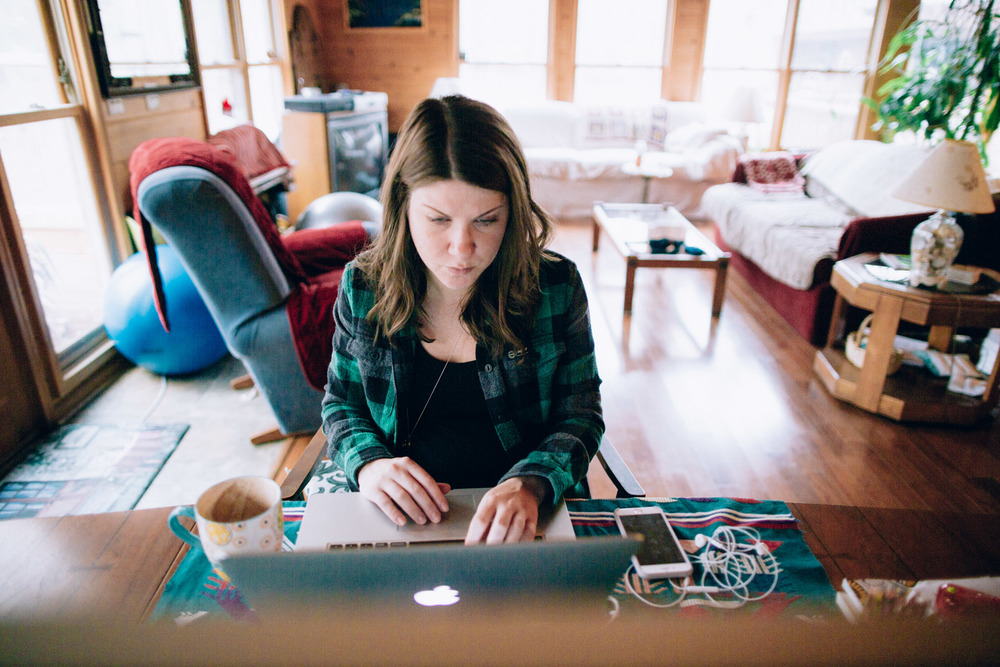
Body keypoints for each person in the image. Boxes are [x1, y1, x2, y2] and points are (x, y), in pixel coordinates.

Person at [320, 95, 603, 545]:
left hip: (524, 519)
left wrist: (530, 483)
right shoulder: (364, 286)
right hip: (395, 520)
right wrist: (370, 465)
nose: (462, 247)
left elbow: (581, 414)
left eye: (486, 220)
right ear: (402, 207)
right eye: (438, 219)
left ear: (512, 212)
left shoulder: (555, 286)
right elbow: (341, 405)